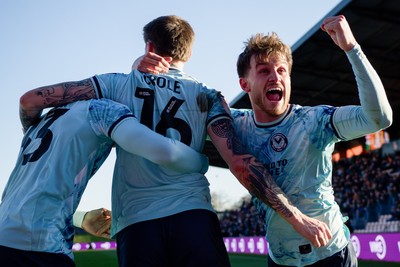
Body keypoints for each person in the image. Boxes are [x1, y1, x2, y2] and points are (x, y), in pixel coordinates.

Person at [20, 15, 333, 266]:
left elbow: (32, 99)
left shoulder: (117, 83)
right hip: (193, 216)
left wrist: (29, 135)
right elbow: (240, 163)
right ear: (190, 52)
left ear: (149, 45)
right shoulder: (208, 96)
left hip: (137, 221)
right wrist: (297, 216)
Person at [137, 15, 392, 267]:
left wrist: (352, 48)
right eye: (263, 71)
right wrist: (143, 68)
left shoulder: (315, 120)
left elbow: (379, 118)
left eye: (282, 70)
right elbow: (166, 111)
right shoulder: (232, 124)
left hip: (331, 254)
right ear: (244, 84)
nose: (275, 77)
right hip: (280, 260)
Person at [0, 98, 210, 267]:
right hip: (38, 247)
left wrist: (81, 218)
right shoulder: (103, 109)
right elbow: (167, 153)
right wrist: (203, 161)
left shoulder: (48, 119)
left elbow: (33, 200)